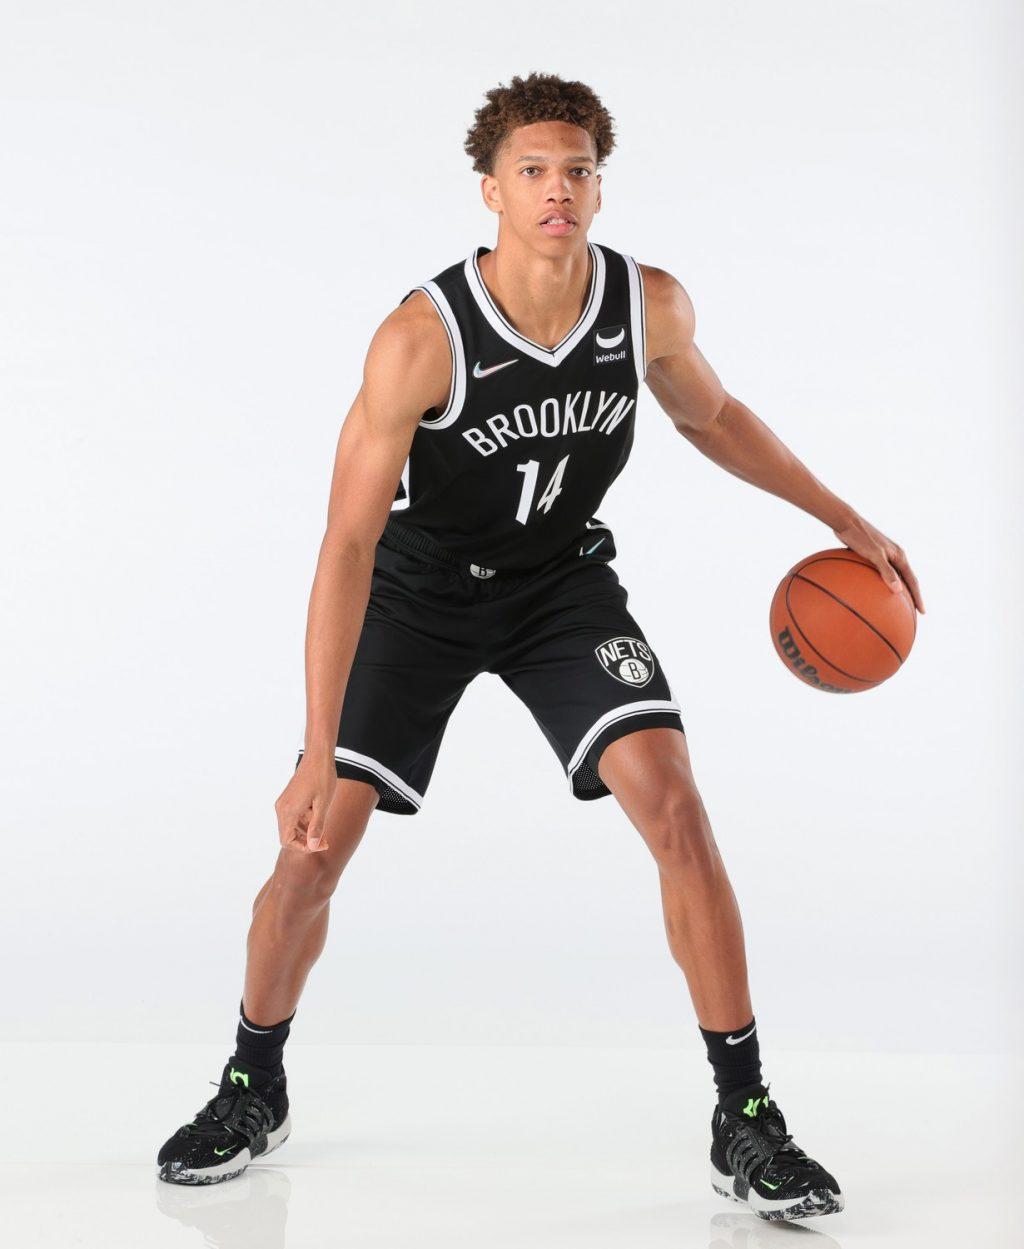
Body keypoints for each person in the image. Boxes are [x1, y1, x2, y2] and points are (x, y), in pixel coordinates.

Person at [157, 72, 923, 1220]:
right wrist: (316, 746)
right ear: (490, 191)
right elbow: (348, 543)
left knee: (674, 803)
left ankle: (746, 1116)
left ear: (598, 187)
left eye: (575, 170)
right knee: (315, 849)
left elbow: (711, 417)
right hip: (418, 597)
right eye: (532, 172)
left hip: (562, 591)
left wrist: (840, 517)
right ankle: (250, 1081)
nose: (556, 189)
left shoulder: (646, 304)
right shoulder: (422, 338)